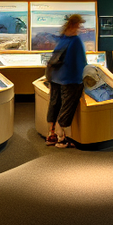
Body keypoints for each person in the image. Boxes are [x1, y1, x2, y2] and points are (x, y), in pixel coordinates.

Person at [44, 13, 87, 148]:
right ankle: (61, 138)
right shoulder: (76, 40)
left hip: (55, 77)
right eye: (79, 25)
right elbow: (80, 63)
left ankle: (51, 135)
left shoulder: (62, 38)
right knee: (67, 106)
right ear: (75, 24)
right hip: (69, 79)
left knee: (54, 103)